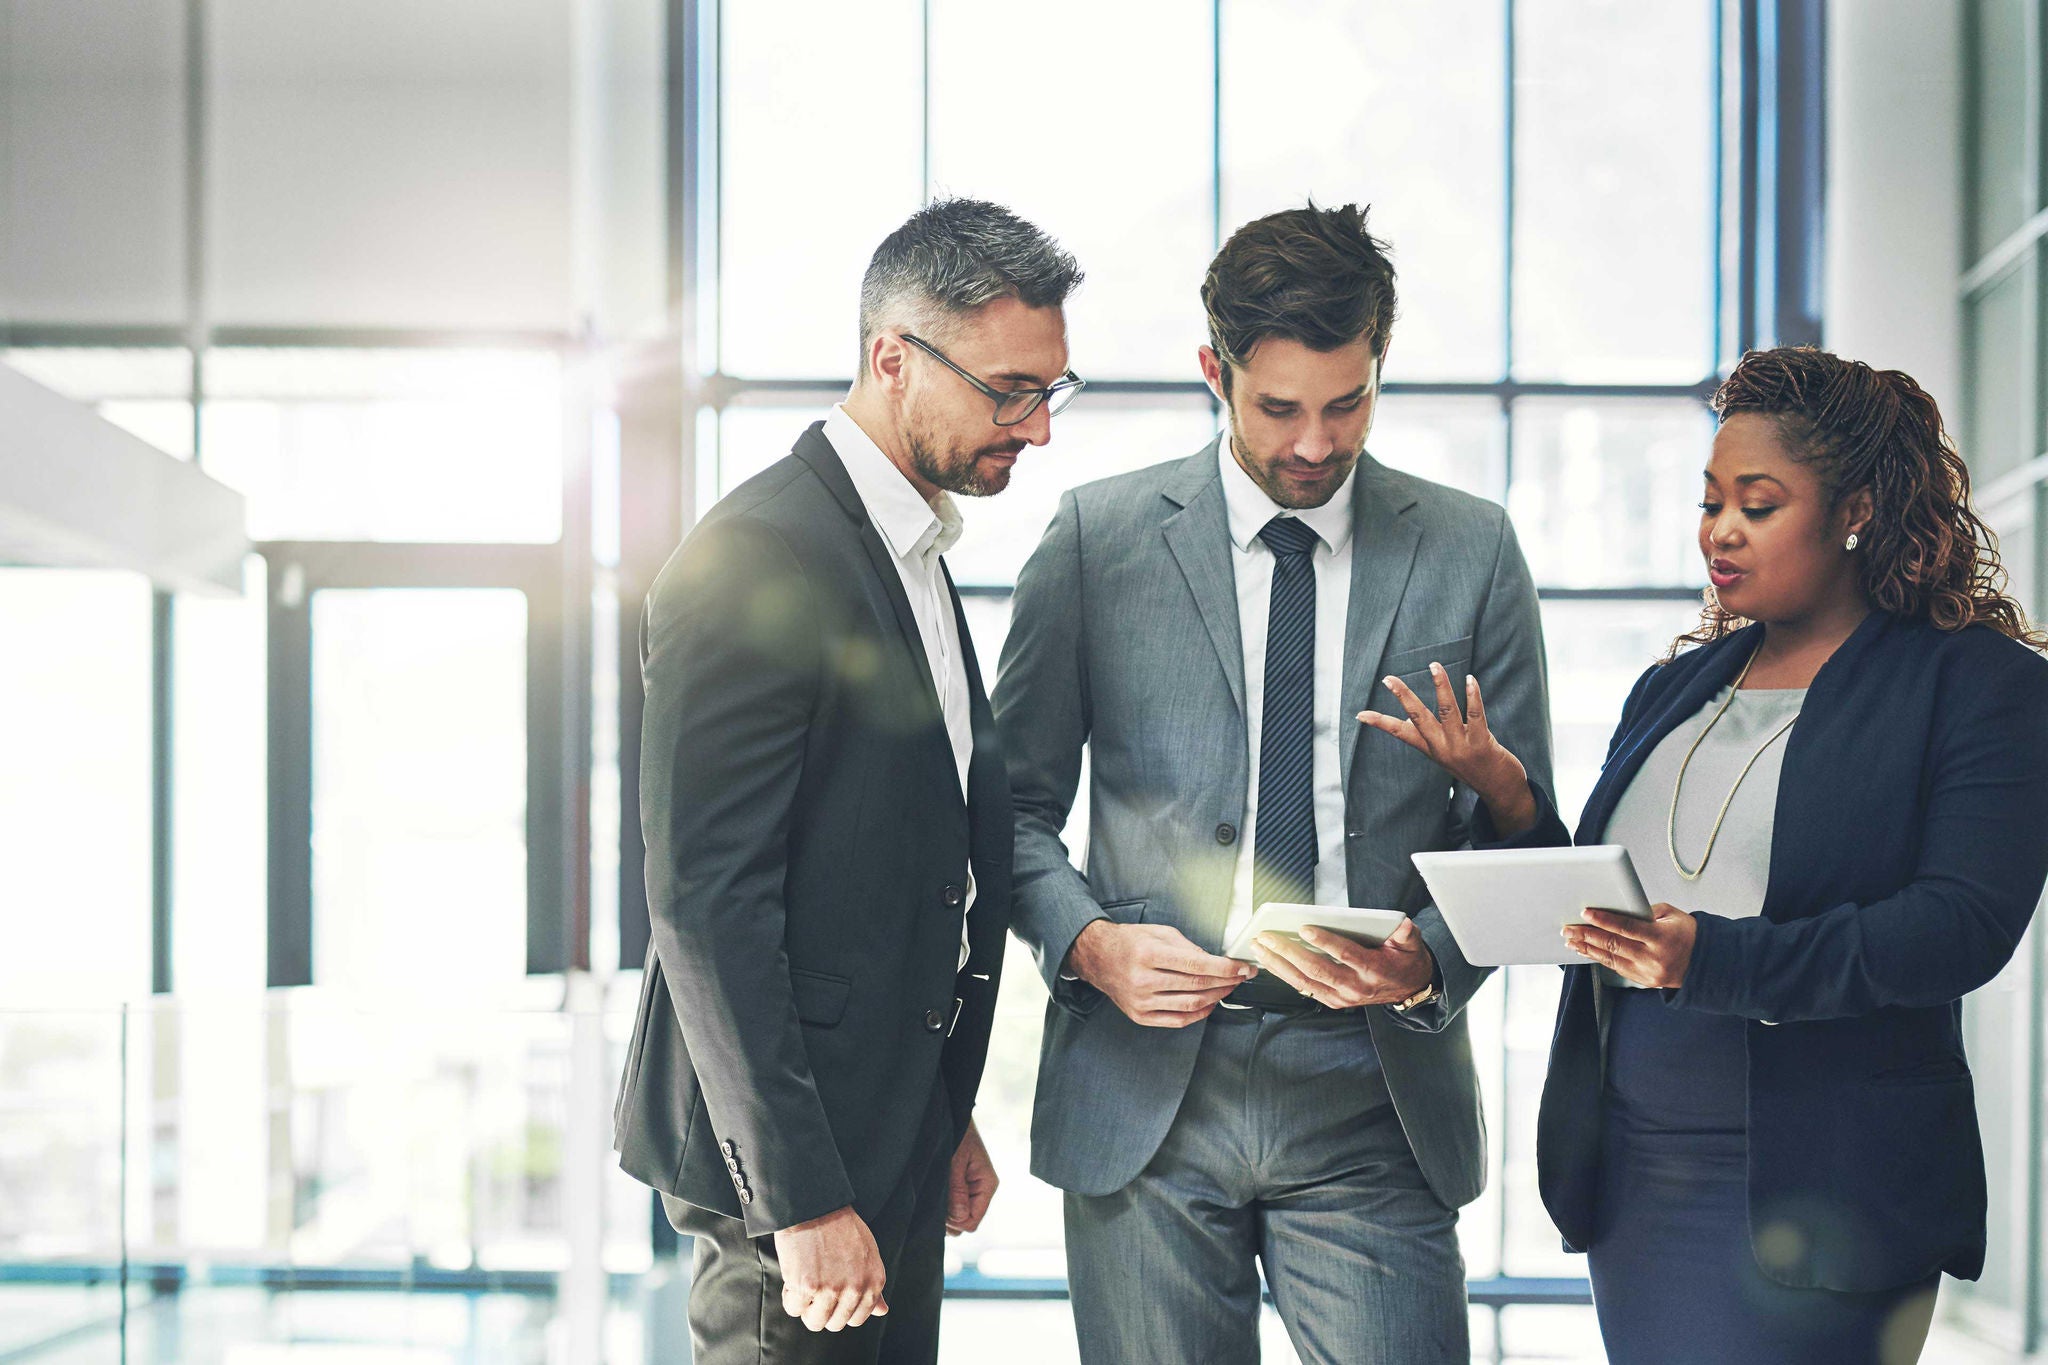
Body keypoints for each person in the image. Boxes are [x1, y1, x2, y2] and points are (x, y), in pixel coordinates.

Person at [1359, 346, 2048, 1364]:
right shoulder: (1676, 687)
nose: (1717, 531)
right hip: (1637, 1175)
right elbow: (1597, 912)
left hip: (1831, 1187)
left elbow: (1957, 930)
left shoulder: (1976, 685)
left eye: (1756, 504)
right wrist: (1504, 792)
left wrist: (1706, 960)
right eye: (1709, 500)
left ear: (1851, 509)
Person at [992, 202, 1556, 1365]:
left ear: (1379, 365)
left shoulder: (1471, 549)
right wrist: (1088, 943)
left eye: (1344, 404)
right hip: (1145, 1090)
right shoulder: (1096, 542)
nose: (1311, 444)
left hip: (1373, 1090)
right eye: (1277, 408)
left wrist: (1431, 959)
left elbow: (1522, 829)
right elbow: (1006, 812)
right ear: (1214, 371)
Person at [611, 198, 1084, 1365]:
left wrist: (939, 1107)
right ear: (891, 359)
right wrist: (800, 1199)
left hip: (887, 1127)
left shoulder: (911, 548)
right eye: (1007, 390)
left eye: (1047, 392)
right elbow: (706, 904)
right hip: (792, 1164)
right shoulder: (753, 558)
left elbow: (898, 863)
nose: (1033, 428)